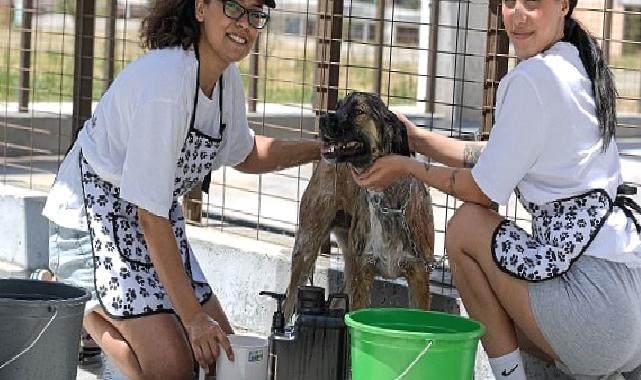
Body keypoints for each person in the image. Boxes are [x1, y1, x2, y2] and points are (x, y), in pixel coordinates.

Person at [352, 0, 641, 378]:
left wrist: (409, 167)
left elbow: (484, 191)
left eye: (533, 3)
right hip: (630, 311)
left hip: (592, 316)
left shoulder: (534, 78)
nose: (517, 15)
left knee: (466, 228)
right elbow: (497, 156)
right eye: (508, 2)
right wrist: (418, 139)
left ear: (563, 6)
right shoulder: (576, 64)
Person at [40, 0, 320, 378]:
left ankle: (107, 309)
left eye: (256, 15)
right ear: (201, 9)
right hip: (93, 219)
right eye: (234, 7)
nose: (245, 23)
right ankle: (79, 302)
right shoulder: (166, 83)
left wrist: (321, 150)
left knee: (224, 355)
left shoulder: (225, 81)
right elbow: (150, 215)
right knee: (174, 366)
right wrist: (193, 319)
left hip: (151, 220)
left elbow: (247, 153)